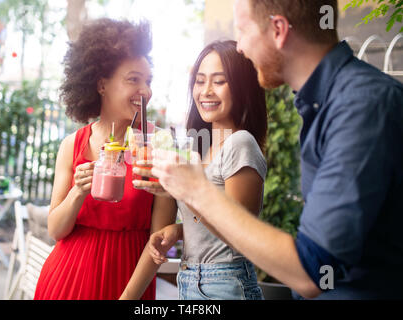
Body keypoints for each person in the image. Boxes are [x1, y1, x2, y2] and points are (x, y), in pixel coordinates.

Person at [151, 0, 403, 299]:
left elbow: (313, 271)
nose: (241, 48)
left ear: (278, 30)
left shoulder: (360, 105)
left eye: (243, 31)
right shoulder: (323, 105)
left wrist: (194, 190)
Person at [34, 18, 177, 300]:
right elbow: (56, 230)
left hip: (128, 283)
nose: (145, 91)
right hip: (66, 280)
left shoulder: (158, 145)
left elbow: (158, 241)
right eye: (133, 79)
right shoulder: (72, 145)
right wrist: (78, 191)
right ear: (102, 84)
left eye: (147, 81)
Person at [124, 40, 267, 300]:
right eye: (200, 81)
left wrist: (187, 191)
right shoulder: (198, 151)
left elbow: (239, 233)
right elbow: (208, 224)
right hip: (190, 280)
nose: (206, 91)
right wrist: (178, 231)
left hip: (225, 283)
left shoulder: (240, 142)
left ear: (242, 87)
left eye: (219, 81)